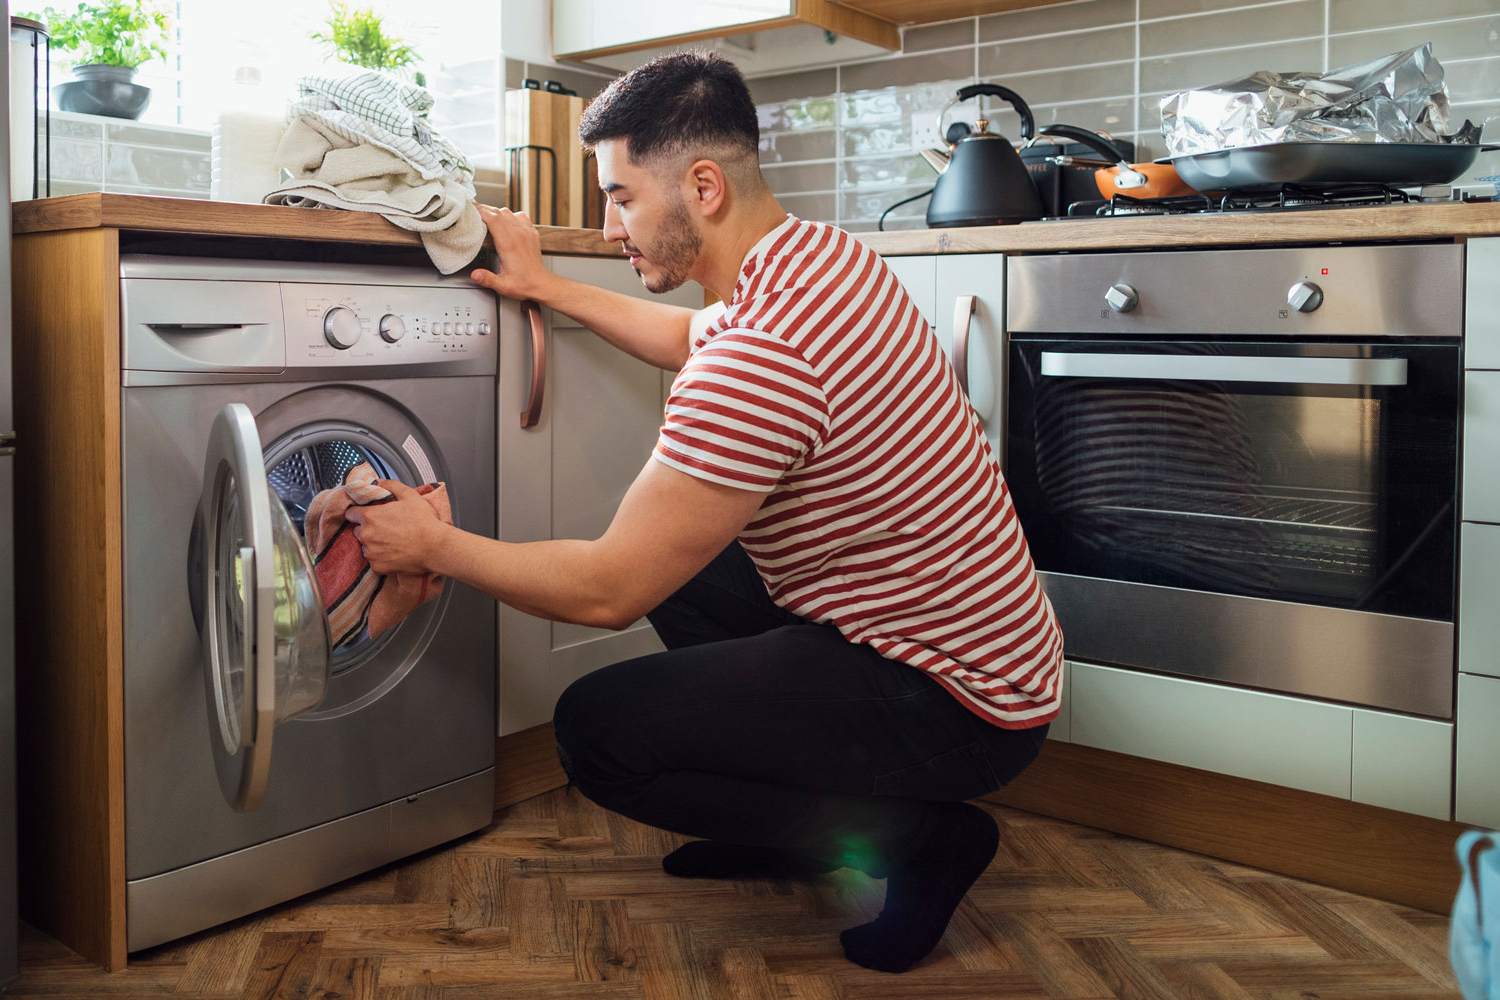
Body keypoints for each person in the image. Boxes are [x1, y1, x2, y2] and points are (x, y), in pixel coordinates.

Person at [343, 51, 1063, 974]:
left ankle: (920, 840)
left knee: (598, 734)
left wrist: (435, 542)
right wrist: (545, 288)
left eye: (622, 198)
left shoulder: (764, 354)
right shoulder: (817, 260)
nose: (608, 229)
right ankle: (802, 827)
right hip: (977, 645)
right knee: (693, 574)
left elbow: (606, 589)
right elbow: (689, 335)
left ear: (704, 186)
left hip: (961, 703)